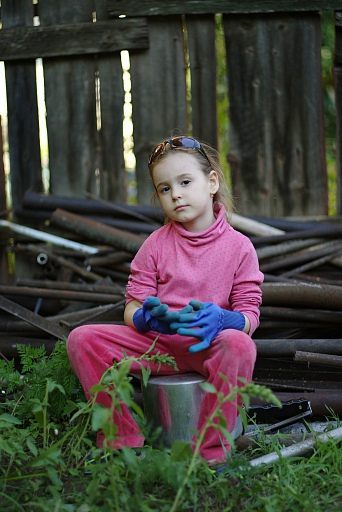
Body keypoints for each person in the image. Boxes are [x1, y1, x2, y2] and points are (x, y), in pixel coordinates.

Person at [67, 135, 263, 465]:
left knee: (241, 346)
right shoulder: (156, 245)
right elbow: (132, 304)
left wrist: (224, 320)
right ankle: (121, 437)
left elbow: (249, 314)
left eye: (185, 182)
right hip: (158, 344)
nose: (176, 194)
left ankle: (212, 452)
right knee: (82, 339)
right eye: (165, 188)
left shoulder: (240, 247)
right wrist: (145, 317)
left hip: (208, 346)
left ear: (211, 181)